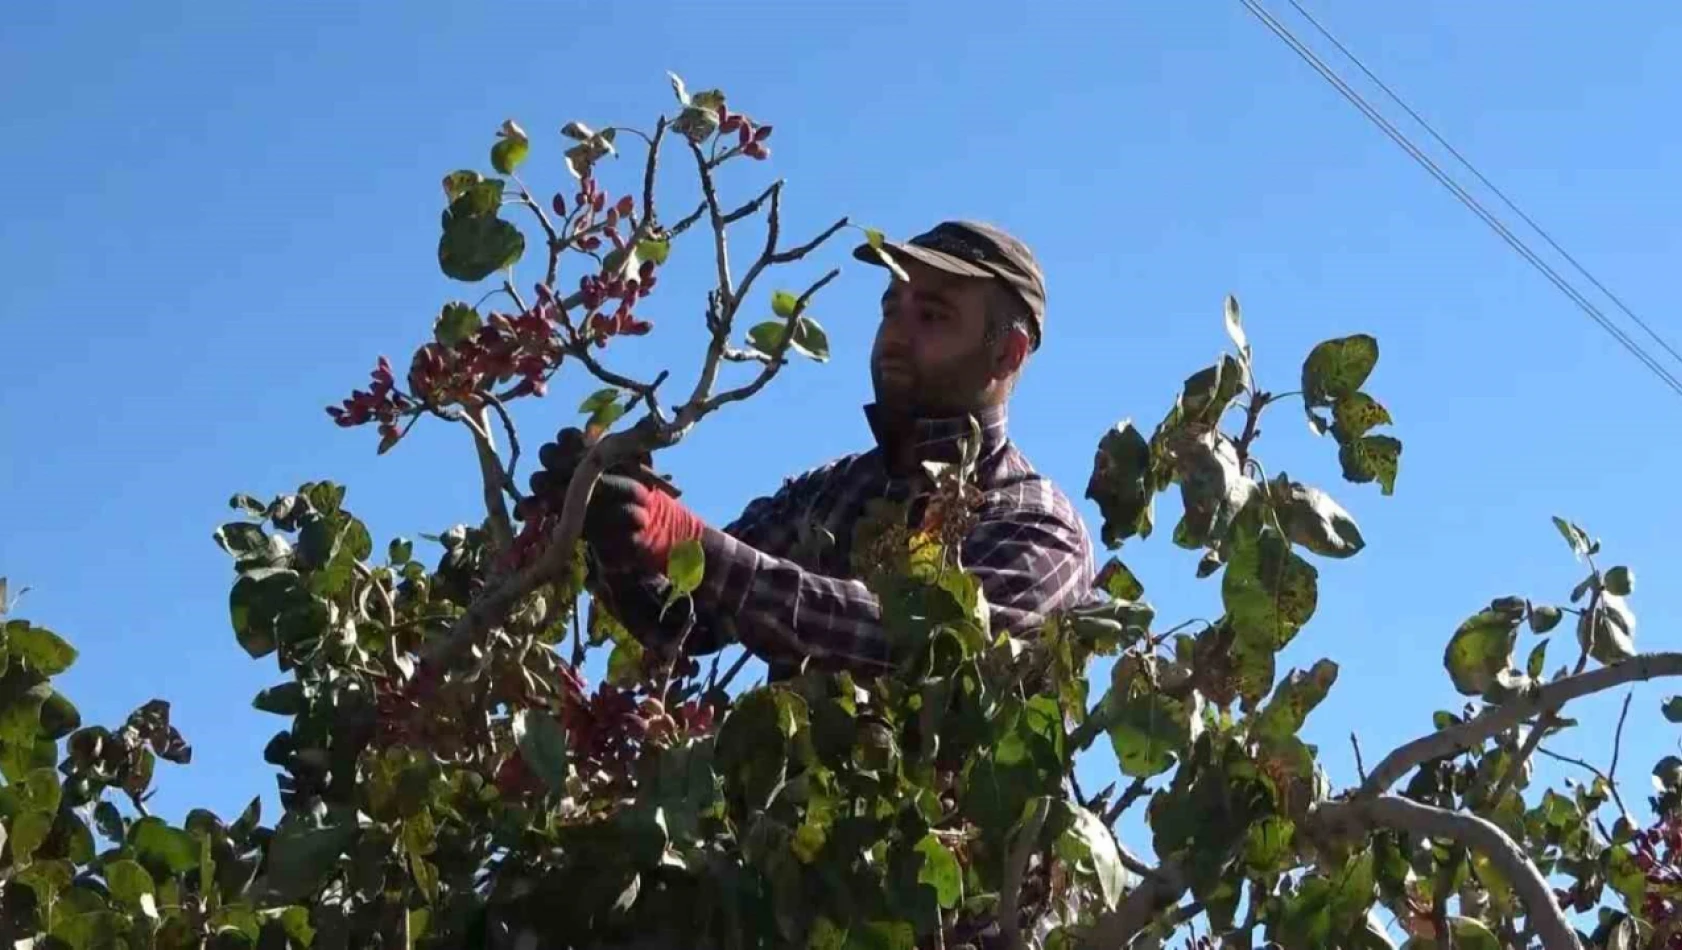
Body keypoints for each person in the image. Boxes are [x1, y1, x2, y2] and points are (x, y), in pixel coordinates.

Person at [528, 220, 1097, 680]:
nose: (895, 334)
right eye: (890, 309)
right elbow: (683, 621)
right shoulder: (832, 489)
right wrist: (608, 529)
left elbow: (921, 650)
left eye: (932, 316)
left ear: (1009, 354)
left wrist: (680, 538)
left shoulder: (1037, 523)